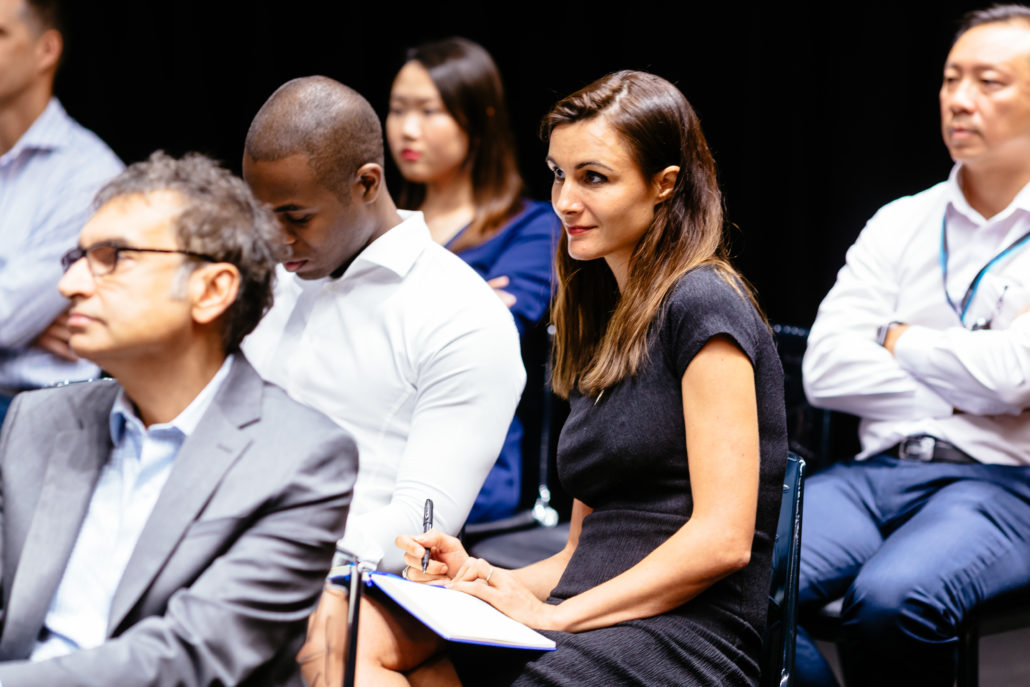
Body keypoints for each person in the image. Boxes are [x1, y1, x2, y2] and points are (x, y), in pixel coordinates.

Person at [323, 70, 787, 687]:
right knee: (346, 631)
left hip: (688, 633)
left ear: (664, 184)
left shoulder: (703, 301)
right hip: (588, 613)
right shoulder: (604, 318)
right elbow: (577, 554)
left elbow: (722, 541)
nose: (565, 200)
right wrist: (487, 579)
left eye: (593, 177)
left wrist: (554, 617)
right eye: (558, 174)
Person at [0, 151, 358, 686]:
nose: (70, 283)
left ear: (211, 290)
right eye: (76, 257)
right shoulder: (38, 419)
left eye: (112, 257)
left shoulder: (301, 458)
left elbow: (189, 659)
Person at [797, 6, 1030, 686]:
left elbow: (1014, 375)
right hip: (876, 472)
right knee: (736, 581)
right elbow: (825, 368)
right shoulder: (900, 222)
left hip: (1004, 484)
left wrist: (895, 337)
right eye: (951, 78)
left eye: (989, 81)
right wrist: (971, 390)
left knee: (893, 601)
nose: (959, 98)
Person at [240, 76, 525, 574]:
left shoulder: (464, 316)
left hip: (343, 586)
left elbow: (419, 532)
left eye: (296, 217)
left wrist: (257, 558)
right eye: (261, 216)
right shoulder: (258, 281)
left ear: (367, 184)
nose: (276, 238)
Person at [385, 37, 560, 524]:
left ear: (479, 119)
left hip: (469, 491)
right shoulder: (381, 228)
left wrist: (380, 310)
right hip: (373, 463)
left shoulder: (532, 227)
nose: (408, 129)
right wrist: (463, 301)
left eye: (429, 111)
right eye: (397, 110)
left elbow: (485, 330)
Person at [0, 0, 123, 422]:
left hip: (34, 408)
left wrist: (16, 327)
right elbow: (12, 320)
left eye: (0, 34)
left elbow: (5, 318)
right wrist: (29, 329)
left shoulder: (88, 175)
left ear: (46, 50)